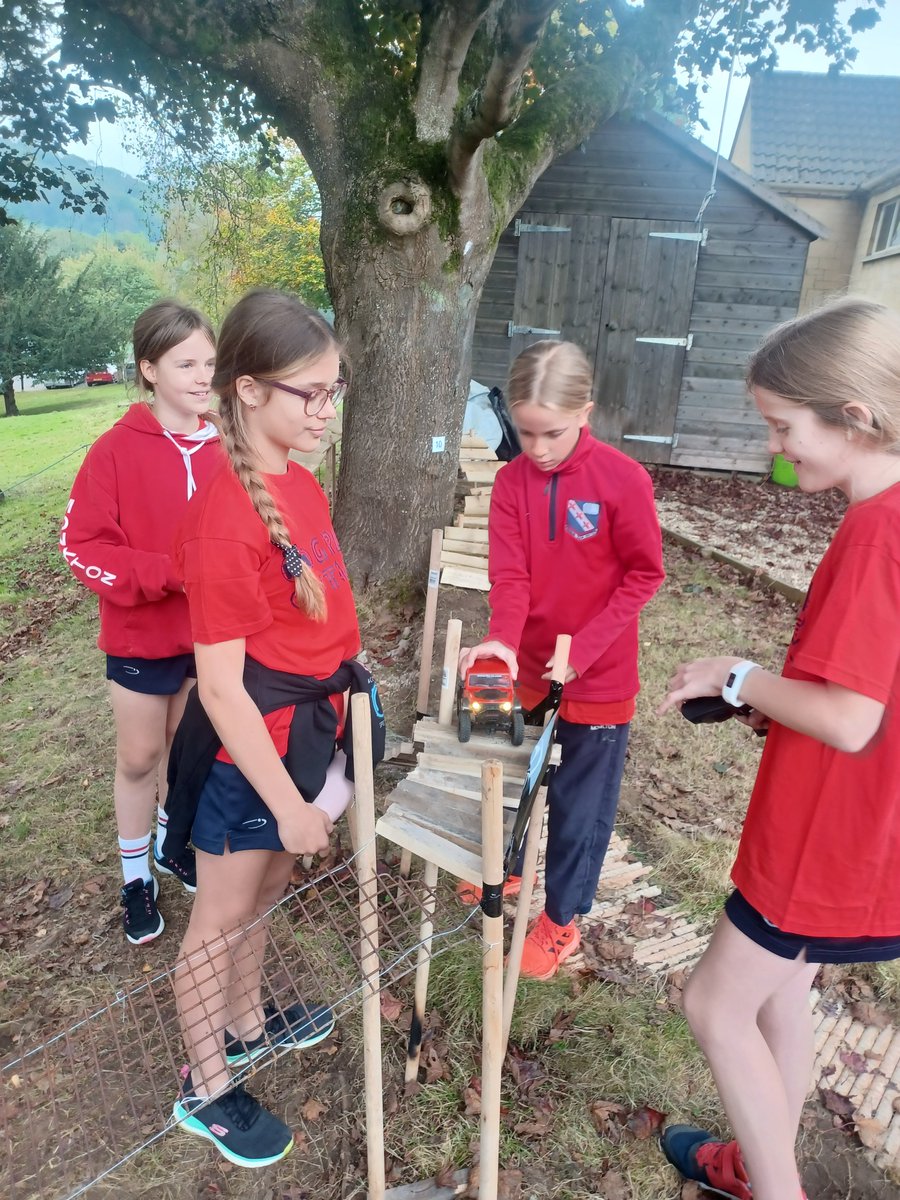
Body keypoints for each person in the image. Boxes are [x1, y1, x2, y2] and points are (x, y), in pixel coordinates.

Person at [656, 297, 900, 1200]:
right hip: (860, 827)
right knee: (781, 991)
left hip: (823, 836)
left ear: (857, 416)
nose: (777, 448)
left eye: (784, 426)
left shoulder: (879, 532)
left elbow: (848, 719)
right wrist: (766, 707)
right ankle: (762, 1168)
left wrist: (739, 677)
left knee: (715, 1004)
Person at [164, 289, 383, 1169]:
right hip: (245, 755)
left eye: (336, 391)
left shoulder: (296, 478)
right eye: (313, 394)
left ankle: (248, 1024)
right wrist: (284, 802)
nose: (328, 411)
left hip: (310, 733)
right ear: (249, 390)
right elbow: (219, 687)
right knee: (219, 915)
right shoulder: (226, 518)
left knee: (269, 888)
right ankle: (207, 1084)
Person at [458, 340, 665, 979]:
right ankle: (507, 866)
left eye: (552, 433)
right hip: (520, 662)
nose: (538, 448)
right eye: (525, 432)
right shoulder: (511, 483)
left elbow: (644, 574)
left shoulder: (624, 481)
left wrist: (588, 650)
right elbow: (511, 577)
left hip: (599, 674)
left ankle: (561, 920)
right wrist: (501, 640)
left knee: (581, 804)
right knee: (497, 764)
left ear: (587, 414)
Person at [60, 300, 218, 945]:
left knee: (184, 755)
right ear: (149, 369)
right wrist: (164, 572)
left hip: (208, 640)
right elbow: (82, 547)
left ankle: (169, 841)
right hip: (140, 638)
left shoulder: (228, 448)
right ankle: (135, 879)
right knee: (139, 756)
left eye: (210, 361)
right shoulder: (114, 451)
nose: (203, 376)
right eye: (186, 363)